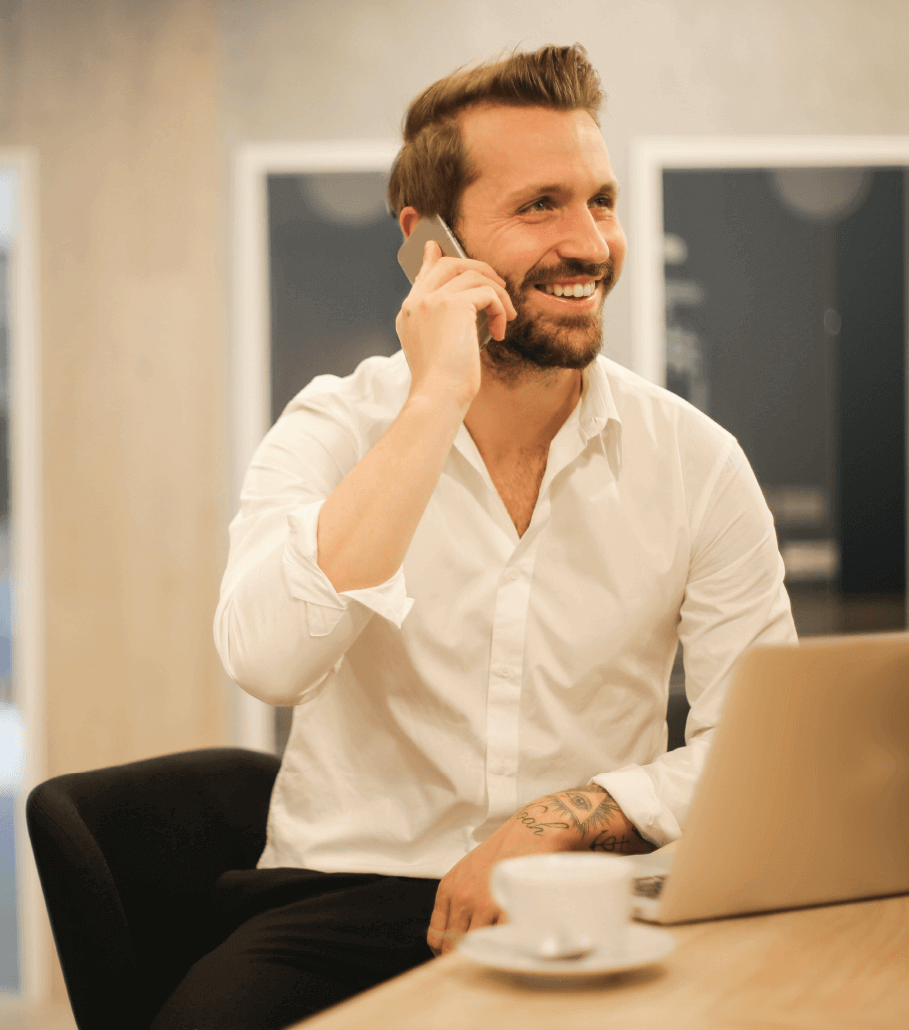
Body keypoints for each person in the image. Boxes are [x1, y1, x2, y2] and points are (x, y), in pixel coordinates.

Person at [152, 43, 796, 1030]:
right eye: (540, 206)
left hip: (587, 895)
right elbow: (269, 659)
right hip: (341, 895)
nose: (590, 243)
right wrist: (433, 401)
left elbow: (752, 747)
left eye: (601, 201)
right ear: (429, 242)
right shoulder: (333, 426)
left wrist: (553, 821)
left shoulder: (696, 462)